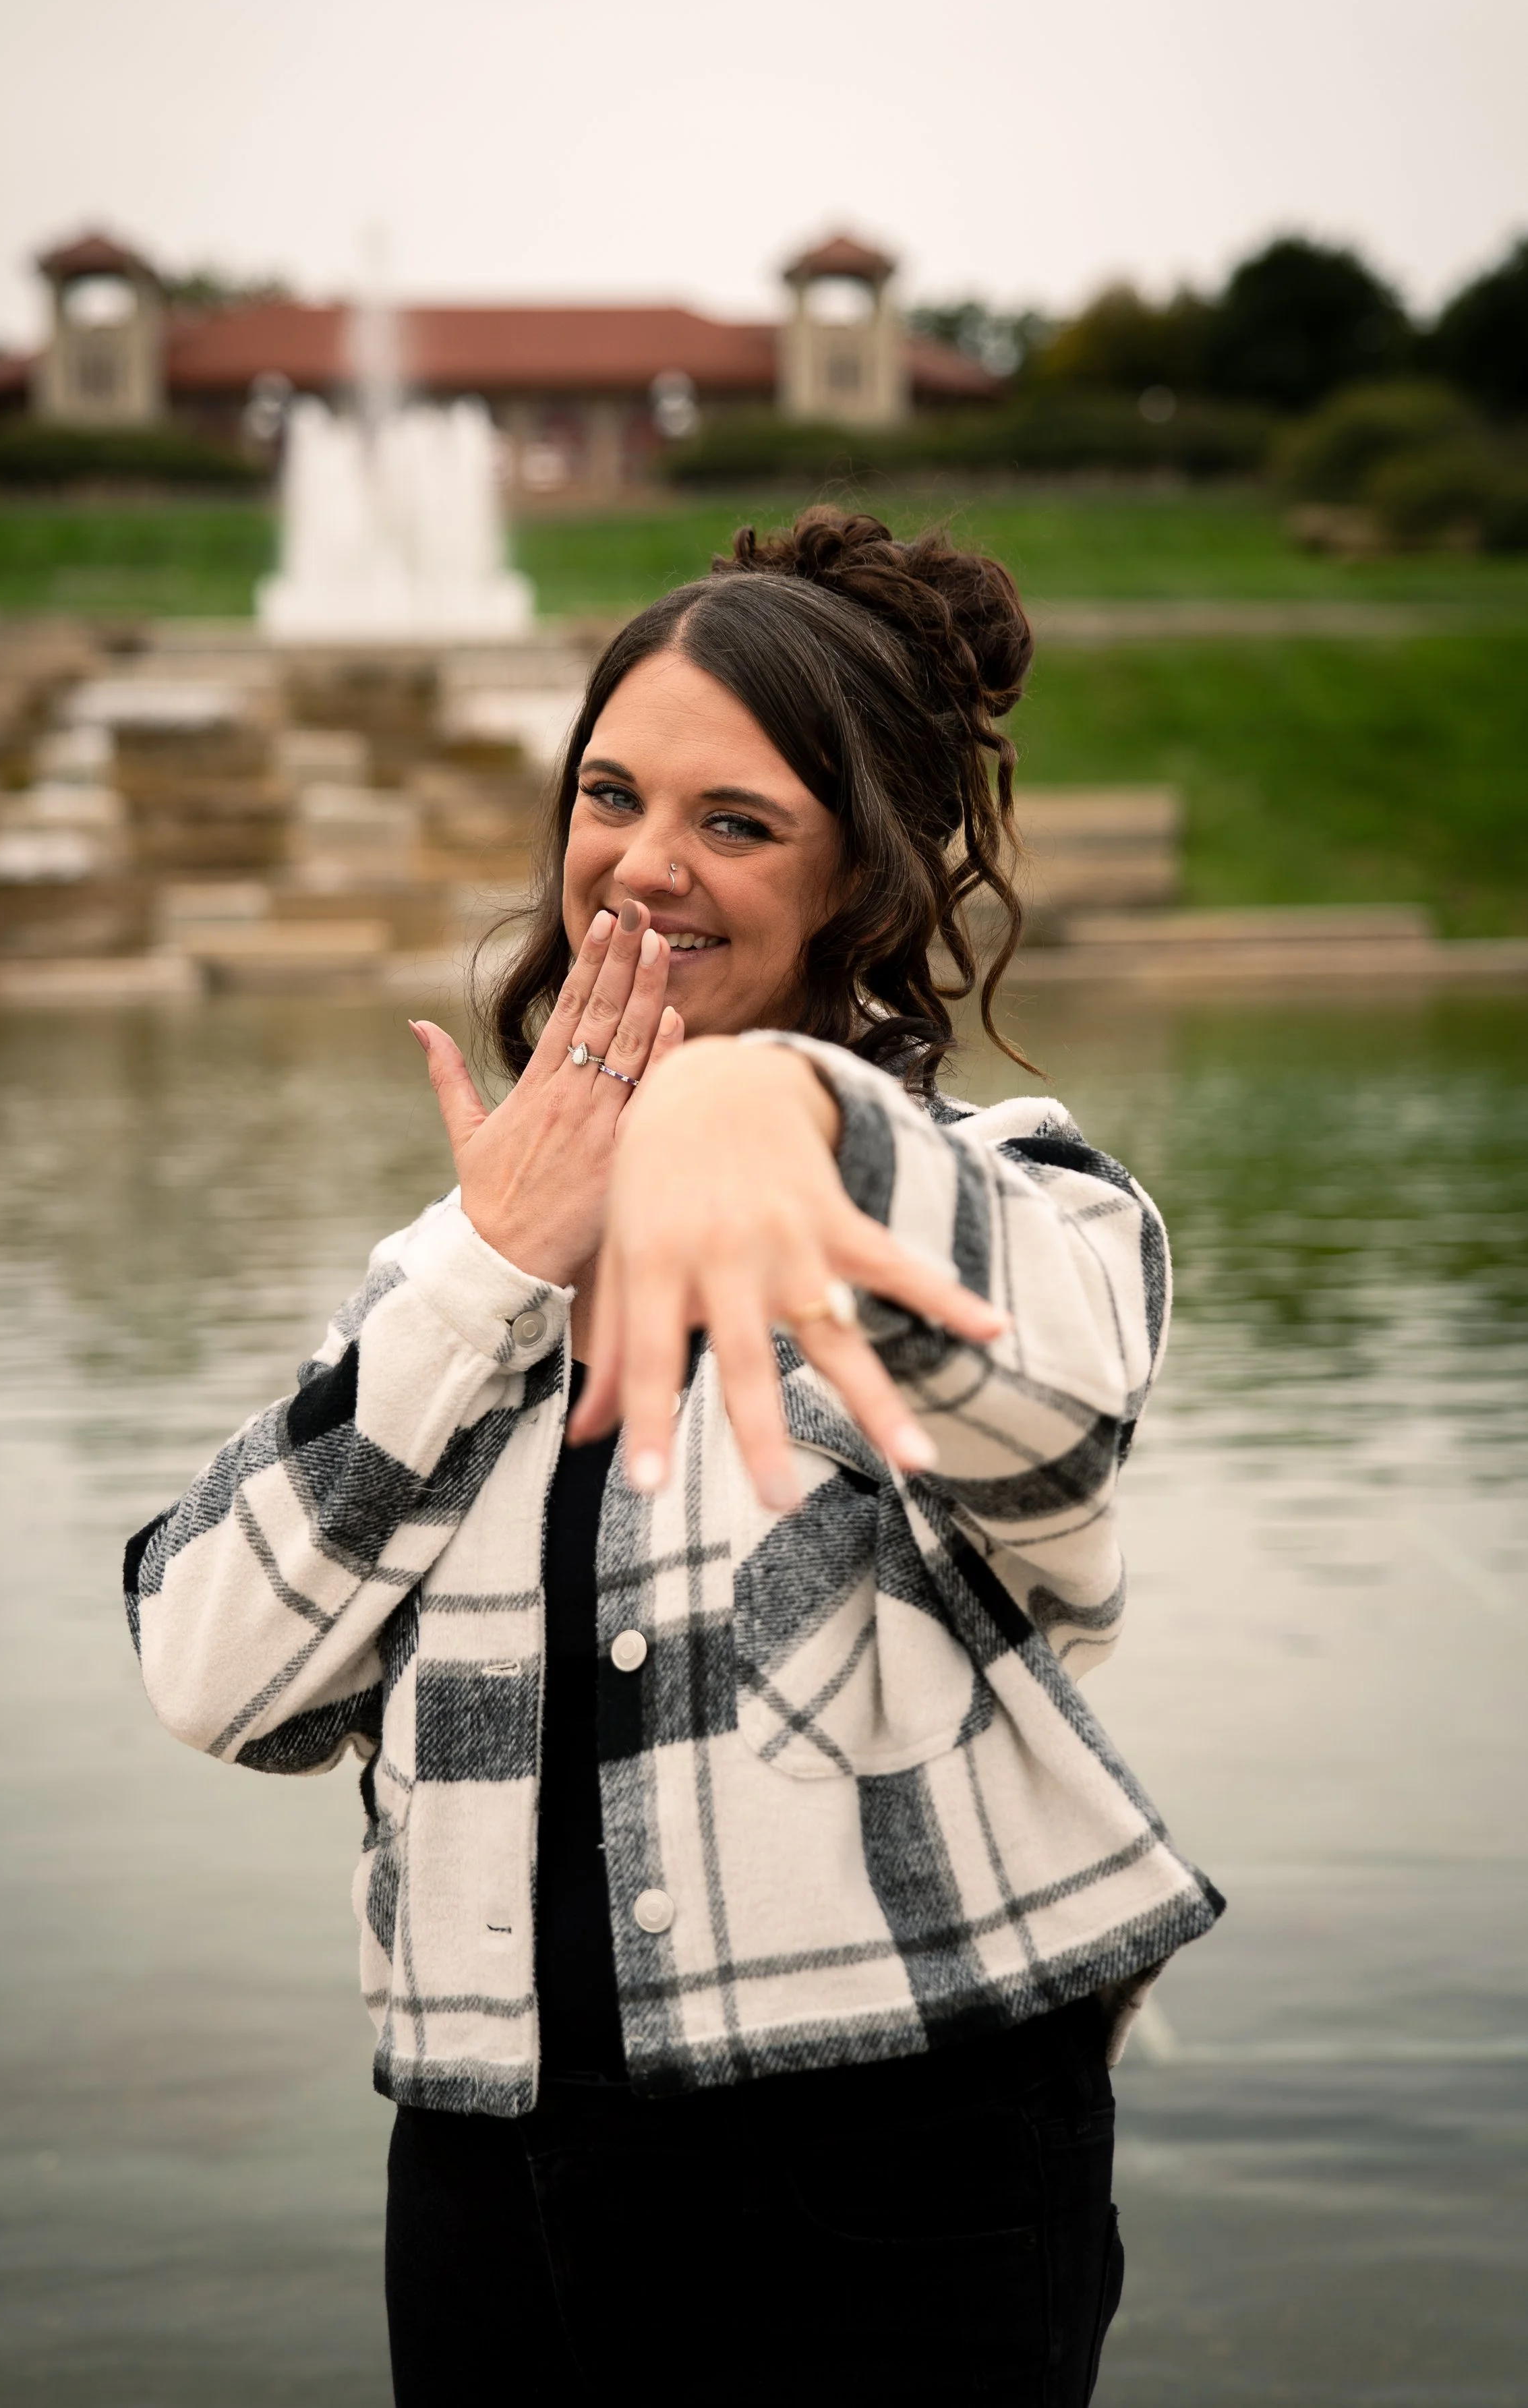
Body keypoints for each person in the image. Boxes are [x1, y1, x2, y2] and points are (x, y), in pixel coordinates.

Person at [125, 508, 1221, 2404]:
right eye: (611, 793)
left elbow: (1058, 1398)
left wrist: (761, 1099)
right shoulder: (468, 1253)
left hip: (899, 2163)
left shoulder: (1023, 1196)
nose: (641, 861)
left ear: (861, 877)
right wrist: (481, 1269)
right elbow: (208, 1670)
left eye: (736, 821)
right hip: (484, 2175)